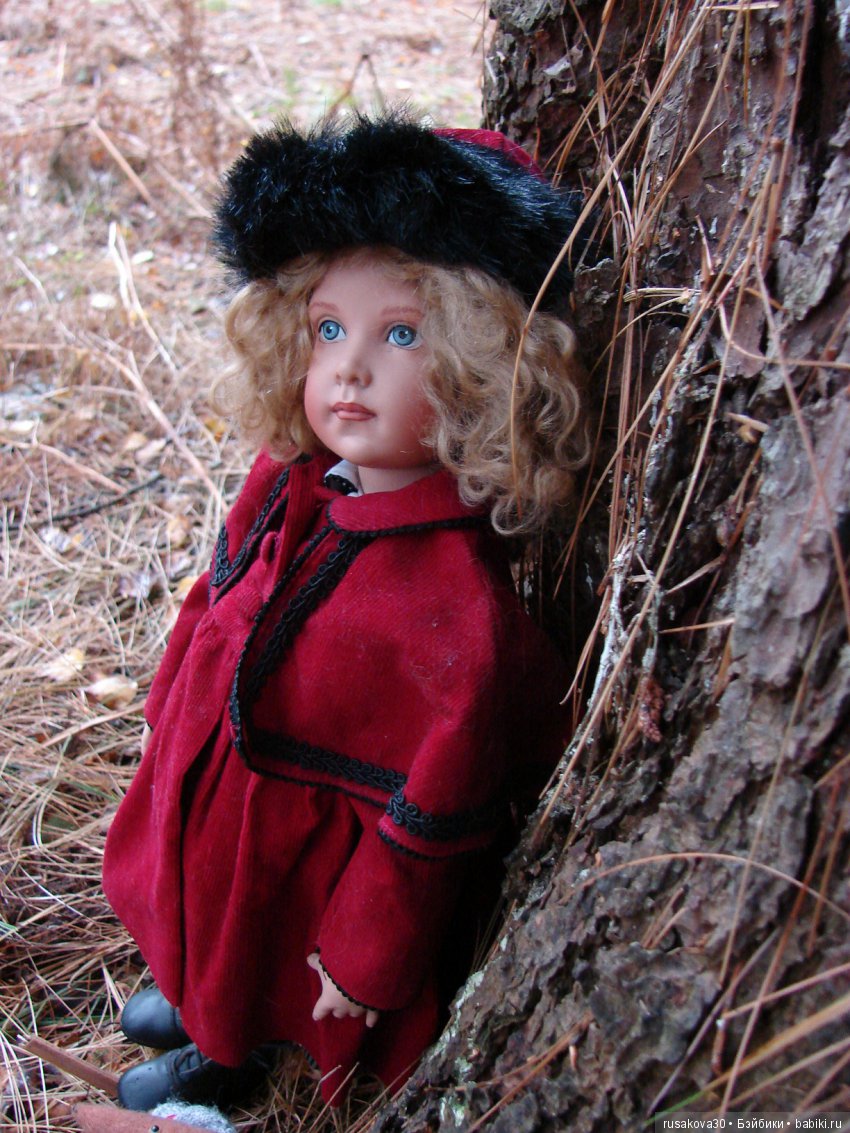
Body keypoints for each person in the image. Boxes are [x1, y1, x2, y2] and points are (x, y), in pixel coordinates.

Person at [102, 110, 589, 1112]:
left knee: (258, 946)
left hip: (311, 851)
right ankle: (192, 995)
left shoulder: (460, 607)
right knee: (194, 907)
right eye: (329, 329)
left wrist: (367, 954)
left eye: (401, 334)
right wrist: (168, 711)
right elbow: (215, 595)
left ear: (480, 365)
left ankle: (223, 1049)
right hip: (222, 783)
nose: (350, 367)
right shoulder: (282, 480)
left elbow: (432, 815)